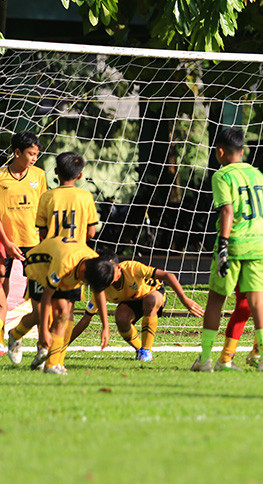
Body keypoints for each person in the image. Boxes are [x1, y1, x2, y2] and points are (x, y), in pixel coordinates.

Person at [192, 127, 263, 373]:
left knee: (215, 300)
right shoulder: (259, 176)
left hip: (236, 244)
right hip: (262, 245)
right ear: (242, 151)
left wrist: (222, 245)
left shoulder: (222, 175)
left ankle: (206, 359)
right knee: (258, 303)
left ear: (220, 152)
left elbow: (227, 211)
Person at [8, 151, 100, 367]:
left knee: (53, 311)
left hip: (49, 257)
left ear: (56, 172)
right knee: (53, 312)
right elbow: (92, 233)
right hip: (73, 261)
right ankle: (20, 336)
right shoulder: (86, 197)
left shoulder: (47, 197)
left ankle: (51, 358)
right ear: (80, 175)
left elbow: (42, 232)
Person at [218, 147, 263, 370]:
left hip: (260, 253)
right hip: (242, 251)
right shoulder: (255, 186)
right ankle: (226, 357)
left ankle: (256, 352)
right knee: (244, 305)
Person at [69, 259, 204, 361]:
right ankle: (140, 349)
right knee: (120, 317)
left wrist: (185, 300)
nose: (109, 278)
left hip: (153, 294)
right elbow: (86, 319)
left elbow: (168, 276)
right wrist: (62, 345)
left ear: (119, 268)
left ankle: (147, 350)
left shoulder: (132, 268)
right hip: (131, 302)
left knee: (150, 301)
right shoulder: (101, 287)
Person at [22, 236, 116, 374]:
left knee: (63, 314)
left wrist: (106, 327)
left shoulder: (94, 261)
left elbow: (99, 292)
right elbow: (46, 296)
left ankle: (53, 364)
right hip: (39, 267)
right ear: (83, 273)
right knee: (39, 314)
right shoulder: (64, 264)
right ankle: (16, 335)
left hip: (66, 268)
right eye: (86, 283)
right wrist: (43, 332)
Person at [1, 130, 46, 363]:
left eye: (36, 154)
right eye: (30, 154)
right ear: (17, 152)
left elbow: (43, 209)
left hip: (34, 243)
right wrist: (7, 242)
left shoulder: (39, 175)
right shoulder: (1, 177)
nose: (33, 158)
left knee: (38, 294)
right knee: (2, 287)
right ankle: (1, 334)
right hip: (5, 242)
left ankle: (25, 337)